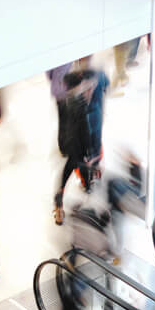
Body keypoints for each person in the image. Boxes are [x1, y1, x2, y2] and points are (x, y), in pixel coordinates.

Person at [54, 58, 110, 225]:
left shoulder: (71, 101)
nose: (91, 90)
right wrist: (91, 155)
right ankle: (62, 203)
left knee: (68, 174)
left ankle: (62, 201)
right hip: (79, 150)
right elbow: (84, 132)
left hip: (77, 149)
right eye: (89, 87)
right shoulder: (80, 105)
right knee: (73, 174)